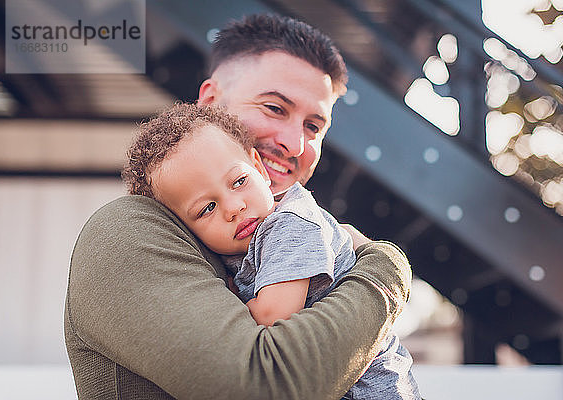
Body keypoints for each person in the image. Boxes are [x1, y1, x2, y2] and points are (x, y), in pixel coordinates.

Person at [65, 13, 414, 399]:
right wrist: (384, 269)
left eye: (313, 126)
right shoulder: (128, 229)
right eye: (274, 108)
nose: (295, 144)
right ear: (211, 102)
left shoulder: (282, 227)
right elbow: (264, 384)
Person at [125, 102, 420, 399]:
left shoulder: (290, 224)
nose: (234, 207)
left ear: (258, 168)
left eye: (239, 181)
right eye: (207, 208)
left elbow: (272, 316)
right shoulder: (233, 245)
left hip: (371, 389)